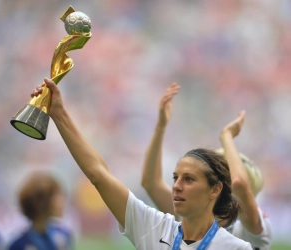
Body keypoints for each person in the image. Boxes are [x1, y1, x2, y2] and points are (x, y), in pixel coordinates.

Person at [30, 78, 253, 250]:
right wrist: (59, 114)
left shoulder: (236, 247)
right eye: (175, 178)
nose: (176, 185)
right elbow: (99, 175)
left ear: (215, 189)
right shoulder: (153, 226)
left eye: (189, 179)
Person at [141, 83, 272, 249]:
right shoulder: (193, 213)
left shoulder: (249, 228)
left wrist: (227, 137)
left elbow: (239, 184)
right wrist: (160, 128)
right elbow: (151, 183)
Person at [8, 171, 73, 250]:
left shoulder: (63, 236)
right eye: (57, 196)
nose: (62, 201)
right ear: (42, 202)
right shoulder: (19, 245)